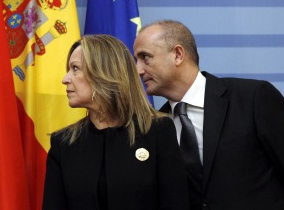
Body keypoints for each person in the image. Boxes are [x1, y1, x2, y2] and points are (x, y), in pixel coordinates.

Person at [133, 19, 284, 210]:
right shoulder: (155, 126)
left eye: (145, 57)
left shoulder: (253, 97)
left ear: (178, 55)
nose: (138, 70)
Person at [42, 35, 189, 210]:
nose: (65, 79)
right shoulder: (63, 143)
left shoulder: (158, 131)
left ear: (104, 73)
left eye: (75, 69)